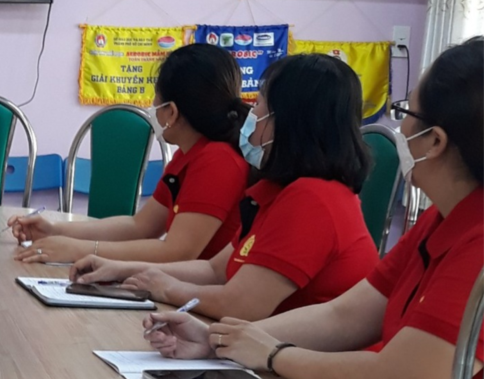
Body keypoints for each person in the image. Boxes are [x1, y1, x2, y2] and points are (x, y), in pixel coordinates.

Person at [144, 38, 484, 379]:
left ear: (436, 141)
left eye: (407, 113)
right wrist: (220, 341)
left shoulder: (476, 243)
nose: (402, 129)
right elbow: (345, 315)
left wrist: (274, 355)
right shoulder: (440, 218)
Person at [75, 54, 378, 320]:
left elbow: (240, 304)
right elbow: (215, 270)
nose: (251, 113)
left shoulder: (312, 199)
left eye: (259, 104)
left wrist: (166, 287)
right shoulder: (277, 190)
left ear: (288, 121)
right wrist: (123, 269)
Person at [12, 43, 250, 265]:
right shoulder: (189, 155)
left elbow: (176, 252)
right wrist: (55, 230)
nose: (152, 106)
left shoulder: (218, 161)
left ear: (171, 112)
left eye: (156, 99)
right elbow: (140, 226)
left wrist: (80, 250)